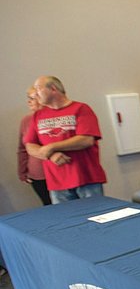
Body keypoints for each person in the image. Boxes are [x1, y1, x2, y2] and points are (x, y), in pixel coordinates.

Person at [24, 76, 107, 204]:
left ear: (53, 88)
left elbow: (86, 140)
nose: (35, 94)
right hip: (56, 183)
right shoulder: (38, 115)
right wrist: (50, 155)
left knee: (97, 217)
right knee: (67, 222)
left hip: (86, 179)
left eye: (38, 88)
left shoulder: (81, 109)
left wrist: (51, 147)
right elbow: (30, 146)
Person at [17, 87, 51, 205]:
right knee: (49, 206)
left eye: (32, 98)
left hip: (57, 171)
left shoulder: (54, 118)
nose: (29, 101)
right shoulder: (26, 120)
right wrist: (22, 171)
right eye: (28, 98)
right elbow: (22, 148)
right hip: (37, 175)